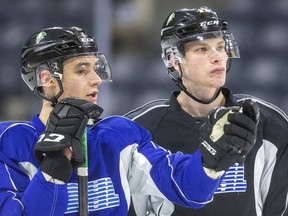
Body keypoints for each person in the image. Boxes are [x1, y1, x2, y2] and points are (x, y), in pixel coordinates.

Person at [0, 26, 258, 216]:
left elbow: (186, 189)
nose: (96, 79)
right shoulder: (10, 142)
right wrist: (53, 166)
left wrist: (211, 162)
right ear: (46, 79)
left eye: (95, 67)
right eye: (81, 70)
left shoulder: (118, 135)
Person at [125, 6, 288, 216]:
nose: (217, 57)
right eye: (202, 49)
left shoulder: (269, 124)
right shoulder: (140, 129)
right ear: (174, 60)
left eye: (220, 47)